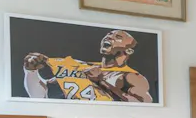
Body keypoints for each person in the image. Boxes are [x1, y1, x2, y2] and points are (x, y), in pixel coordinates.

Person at [22, 29, 153, 102]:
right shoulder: (80, 66)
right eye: (108, 35)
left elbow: (145, 106)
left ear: (129, 51)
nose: (109, 37)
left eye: (118, 37)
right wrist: (31, 72)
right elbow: (40, 96)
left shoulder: (131, 76)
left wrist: (101, 82)